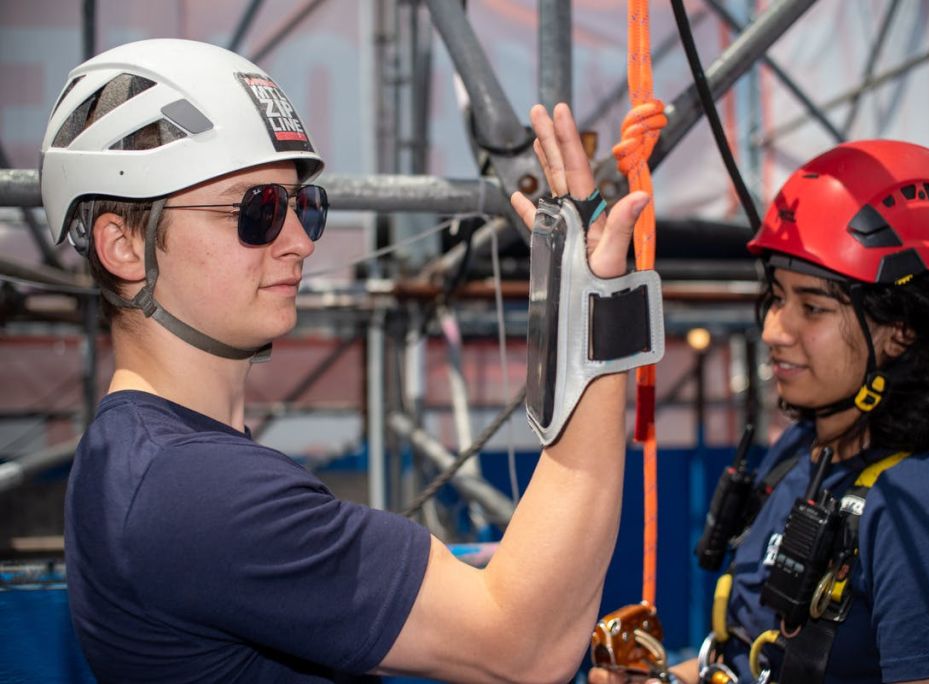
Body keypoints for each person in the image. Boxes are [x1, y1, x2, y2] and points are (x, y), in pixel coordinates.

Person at [42, 38, 651, 682]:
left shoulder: (139, 456)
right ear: (124, 246)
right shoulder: (191, 489)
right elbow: (522, 647)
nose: (301, 241)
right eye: (258, 211)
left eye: (302, 205)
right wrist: (598, 315)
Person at [591, 140, 929, 684]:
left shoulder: (926, 508)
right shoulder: (799, 454)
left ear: (901, 329)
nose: (772, 330)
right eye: (777, 297)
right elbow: (751, 660)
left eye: (811, 307)